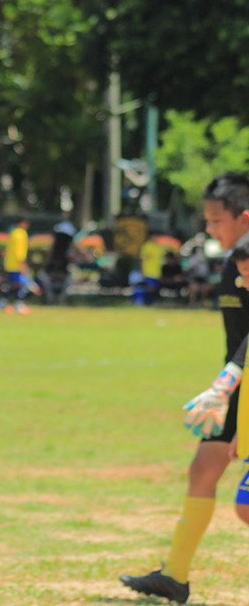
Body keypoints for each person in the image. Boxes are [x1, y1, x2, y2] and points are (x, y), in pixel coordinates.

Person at [121, 172, 249, 604]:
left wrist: (226, 381)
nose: (209, 229)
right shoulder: (234, 262)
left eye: (216, 220)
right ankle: (175, 574)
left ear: (244, 218)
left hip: (237, 381)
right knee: (203, 471)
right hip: (236, 385)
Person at [0, 216, 31, 314]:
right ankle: (17, 304)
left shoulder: (13, 233)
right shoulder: (21, 234)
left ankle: (4, 303)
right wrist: (22, 263)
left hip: (10, 263)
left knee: (13, 285)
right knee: (18, 285)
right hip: (16, 264)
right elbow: (19, 251)